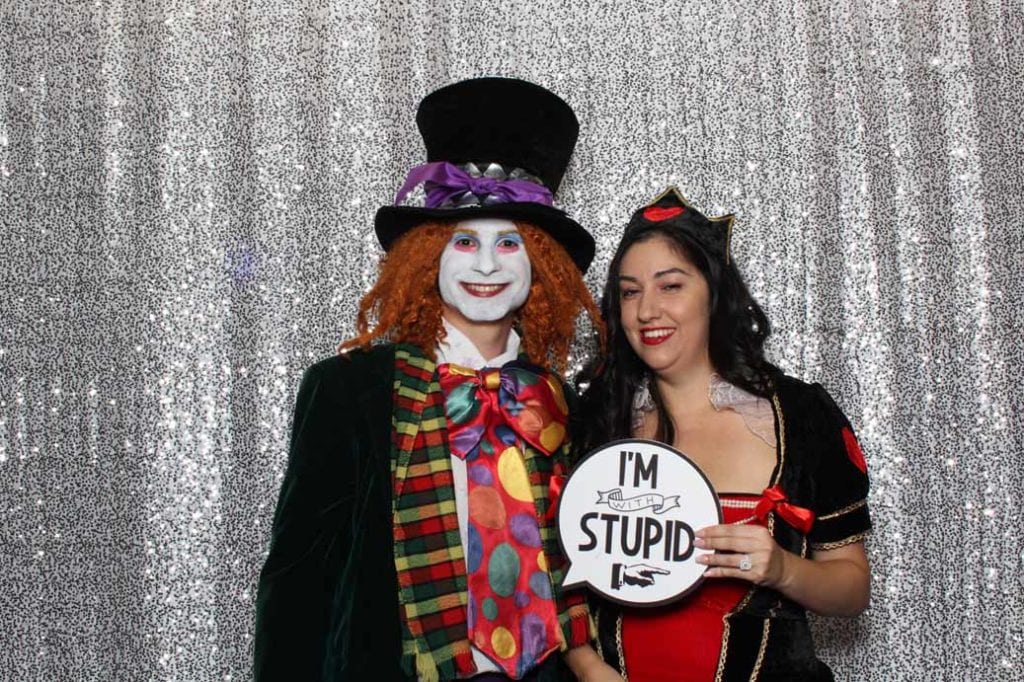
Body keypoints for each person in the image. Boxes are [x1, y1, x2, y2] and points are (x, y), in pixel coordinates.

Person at [254, 77, 620, 682]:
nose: (486, 264)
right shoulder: (349, 391)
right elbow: (298, 578)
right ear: (427, 257)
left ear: (541, 266)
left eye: (509, 243)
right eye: (464, 241)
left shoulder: (561, 402)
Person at [576, 188, 872, 681]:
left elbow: (853, 589)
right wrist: (586, 667)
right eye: (629, 292)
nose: (646, 310)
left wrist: (783, 569)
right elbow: (549, 580)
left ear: (714, 293)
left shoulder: (800, 415)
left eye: (671, 286)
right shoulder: (594, 419)